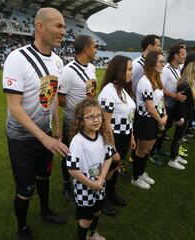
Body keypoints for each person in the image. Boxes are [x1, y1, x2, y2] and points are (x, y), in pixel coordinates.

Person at [2, 8, 69, 240]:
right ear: (40, 27)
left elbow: (49, 98)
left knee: (44, 177)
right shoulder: (17, 58)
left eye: (64, 26)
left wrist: (56, 127)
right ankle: (22, 228)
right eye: (58, 26)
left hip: (47, 133)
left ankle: (45, 211)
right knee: (25, 189)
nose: (64, 31)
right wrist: (44, 137)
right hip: (22, 137)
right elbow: (14, 107)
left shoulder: (59, 62)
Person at [67, 99, 115, 240]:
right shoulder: (77, 141)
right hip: (84, 186)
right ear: (81, 121)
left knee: (97, 211)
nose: (96, 120)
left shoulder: (102, 136)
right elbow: (72, 169)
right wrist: (91, 184)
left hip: (99, 183)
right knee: (86, 219)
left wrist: (101, 178)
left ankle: (92, 234)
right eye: (90, 117)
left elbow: (108, 157)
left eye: (99, 116)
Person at [58, 35, 98, 203]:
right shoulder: (68, 71)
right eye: (94, 47)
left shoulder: (92, 68)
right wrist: (77, 111)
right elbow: (60, 100)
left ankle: (83, 180)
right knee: (69, 153)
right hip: (72, 121)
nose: (96, 50)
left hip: (89, 120)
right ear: (86, 49)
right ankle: (67, 184)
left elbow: (91, 93)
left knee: (86, 151)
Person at [98, 55, 136, 215]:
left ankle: (111, 192)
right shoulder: (108, 92)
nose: (131, 73)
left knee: (115, 168)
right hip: (112, 137)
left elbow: (129, 117)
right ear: (119, 71)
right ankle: (102, 198)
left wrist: (132, 136)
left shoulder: (123, 90)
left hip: (124, 136)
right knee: (107, 170)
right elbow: (105, 124)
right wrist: (112, 148)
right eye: (129, 70)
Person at [132, 50, 167, 189]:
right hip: (145, 120)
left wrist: (165, 114)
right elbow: (150, 107)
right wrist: (160, 120)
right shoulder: (145, 81)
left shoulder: (156, 79)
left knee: (148, 150)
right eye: (160, 62)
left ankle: (141, 173)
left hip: (155, 119)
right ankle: (136, 177)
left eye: (163, 61)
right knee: (141, 151)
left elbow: (161, 100)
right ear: (152, 63)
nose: (163, 64)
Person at [149, 44, 187, 165]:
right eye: (182, 54)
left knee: (165, 130)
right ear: (175, 55)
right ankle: (151, 153)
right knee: (160, 130)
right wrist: (174, 95)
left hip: (172, 105)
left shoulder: (178, 68)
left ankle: (158, 148)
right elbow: (160, 87)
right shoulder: (166, 70)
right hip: (165, 105)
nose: (184, 56)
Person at [168, 62, 195, 170]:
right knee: (177, 138)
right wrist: (180, 117)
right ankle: (172, 160)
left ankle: (176, 156)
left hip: (187, 115)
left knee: (180, 137)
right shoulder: (185, 85)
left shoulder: (191, 83)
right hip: (183, 116)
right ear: (191, 72)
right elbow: (180, 102)